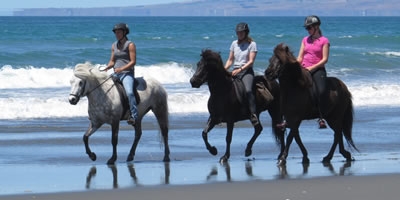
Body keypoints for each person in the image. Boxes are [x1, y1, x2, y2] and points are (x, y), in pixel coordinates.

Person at [277, 15, 329, 130]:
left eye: (309, 27)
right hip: (304, 68)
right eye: (307, 28)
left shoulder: (324, 41)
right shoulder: (305, 40)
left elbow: (325, 59)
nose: (308, 30)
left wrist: (312, 68)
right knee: (289, 89)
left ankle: (321, 117)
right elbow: (300, 57)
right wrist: (292, 65)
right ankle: (286, 118)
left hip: (318, 69)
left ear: (316, 27)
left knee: (320, 91)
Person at [224, 22, 260, 126]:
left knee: (248, 90)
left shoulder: (252, 44)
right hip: (235, 70)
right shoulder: (234, 43)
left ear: (246, 32)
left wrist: (240, 69)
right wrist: (223, 69)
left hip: (246, 71)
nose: (239, 34)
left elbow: (251, 61)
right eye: (238, 32)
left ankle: (253, 114)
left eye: (241, 32)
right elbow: (230, 60)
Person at [104, 23, 138, 126]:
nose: (117, 34)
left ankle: (134, 115)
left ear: (124, 32)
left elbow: (133, 62)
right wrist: (107, 67)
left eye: (119, 32)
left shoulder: (130, 44)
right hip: (116, 73)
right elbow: (112, 61)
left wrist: (122, 69)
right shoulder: (114, 45)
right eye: (116, 32)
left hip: (127, 74)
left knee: (130, 93)